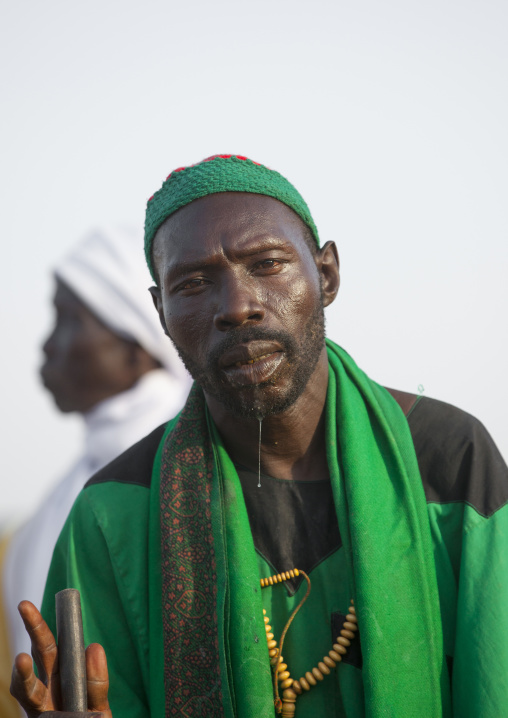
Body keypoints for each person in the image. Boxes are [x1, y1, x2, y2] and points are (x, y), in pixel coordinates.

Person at [10, 156, 508, 718]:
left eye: (268, 264)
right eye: (193, 284)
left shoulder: (447, 460)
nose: (238, 307)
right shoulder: (114, 513)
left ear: (327, 275)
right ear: (160, 312)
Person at [1, 226, 191, 717]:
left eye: (67, 320)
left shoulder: (184, 468)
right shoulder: (66, 490)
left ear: (136, 345)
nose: (47, 345)